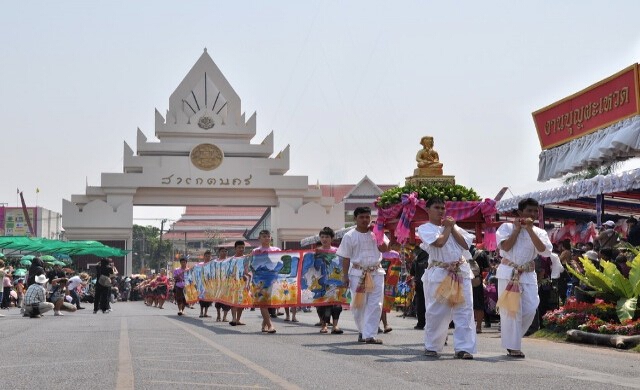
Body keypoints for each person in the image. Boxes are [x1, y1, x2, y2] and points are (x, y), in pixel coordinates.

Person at [417, 197, 476, 359]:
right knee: (438, 311)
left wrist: (452, 227)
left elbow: (465, 245)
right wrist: (448, 228)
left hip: (460, 272)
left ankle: (464, 348)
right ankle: (433, 346)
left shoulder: (455, 227)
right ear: (428, 210)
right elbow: (439, 243)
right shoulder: (424, 228)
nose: (441, 211)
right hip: (440, 273)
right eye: (437, 207)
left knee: (464, 311)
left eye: (443, 208)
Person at [496, 198, 552, 359]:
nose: (533, 214)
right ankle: (514, 346)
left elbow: (543, 251)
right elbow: (505, 247)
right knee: (511, 310)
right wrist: (516, 229)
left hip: (527, 274)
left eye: (535, 211)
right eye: (529, 211)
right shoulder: (506, 227)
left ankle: (510, 339)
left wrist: (529, 230)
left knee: (530, 308)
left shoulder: (540, 232)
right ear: (520, 212)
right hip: (508, 272)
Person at [338, 206, 389, 345]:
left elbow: (385, 249)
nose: (365, 220)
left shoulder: (377, 233)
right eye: (361, 217)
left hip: (376, 272)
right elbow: (345, 257)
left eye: (367, 217)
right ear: (355, 219)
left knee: (376, 304)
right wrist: (344, 276)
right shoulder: (349, 236)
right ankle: (362, 331)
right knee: (359, 304)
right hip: (357, 273)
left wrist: (377, 234)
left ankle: (370, 335)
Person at [251, 230, 281, 334]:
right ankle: (270, 325)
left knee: (268, 303)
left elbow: (280, 264)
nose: (267, 238)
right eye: (264, 236)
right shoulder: (255, 251)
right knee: (263, 302)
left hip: (273, 279)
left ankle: (264, 324)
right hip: (259, 281)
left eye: (268, 236)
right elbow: (252, 265)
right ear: (259, 238)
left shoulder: (276, 250)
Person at [315, 227, 344, 334]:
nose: (324, 239)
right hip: (321, 282)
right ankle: (324, 325)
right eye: (322, 237)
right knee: (322, 304)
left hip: (336, 282)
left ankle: (335, 326)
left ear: (332, 238)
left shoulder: (338, 252)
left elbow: (343, 265)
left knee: (336, 304)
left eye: (327, 237)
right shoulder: (316, 252)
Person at [379, 243, 402, 334]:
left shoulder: (395, 254)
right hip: (378, 280)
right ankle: (385, 324)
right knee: (380, 302)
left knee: (385, 302)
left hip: (390, 282)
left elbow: (397, 269)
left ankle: (375, 324)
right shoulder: (378, 254)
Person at [229, 240, 248, 326]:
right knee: (234, 301)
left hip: (244, 283)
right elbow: (229, 271)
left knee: (241, 302)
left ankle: (238, 319)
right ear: (235, 248)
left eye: (243, 248)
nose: (241, 249)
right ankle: (233, 318)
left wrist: (246, 276)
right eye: (239, 247)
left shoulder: (246, 258)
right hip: (233, 283)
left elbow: (249, 270)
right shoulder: (231, 260)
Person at [410, 247, 429, 330]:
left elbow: (412, 272)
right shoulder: (432, 256)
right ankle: (429, 323)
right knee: (429, 303)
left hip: (419, 282)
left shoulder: (417, 257)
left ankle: (421, 323)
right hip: (429, 282)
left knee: (420, 303)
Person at [214, 247, 231, 322]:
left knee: (227, 301)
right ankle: (218, 315)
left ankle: (224, 317)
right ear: (219, 252)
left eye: (225, 251)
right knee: (218, 301)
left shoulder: (230, 261)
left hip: (228, 284)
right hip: (218, 284)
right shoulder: (215, 262)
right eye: (222, 251)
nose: (224, 252)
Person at [199, 250, 214, 318]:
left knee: (208, 299)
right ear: (204, 257)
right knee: (202, 299)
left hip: (210, 285)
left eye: (209, 256)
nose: (208, 257)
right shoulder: (200, 265)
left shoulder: (212, 265)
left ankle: (206, 313)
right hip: (202, 284)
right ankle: (201, 312)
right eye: (206, 256)